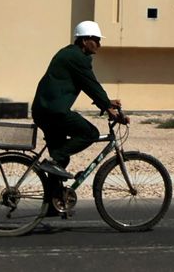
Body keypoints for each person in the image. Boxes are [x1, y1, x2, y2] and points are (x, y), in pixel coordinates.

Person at [32, 20, 122, 179]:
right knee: (90, 134)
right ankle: (53, 160)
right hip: (53, 112)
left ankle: (53, 200)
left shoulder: (70, 54)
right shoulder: (76, 57)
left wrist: (107, 102)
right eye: (96, 40)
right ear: (84, 40)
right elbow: (90, 83)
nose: (99, 45)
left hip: (44, 110)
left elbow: (87, 85)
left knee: (60, 162)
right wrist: (107, 106)